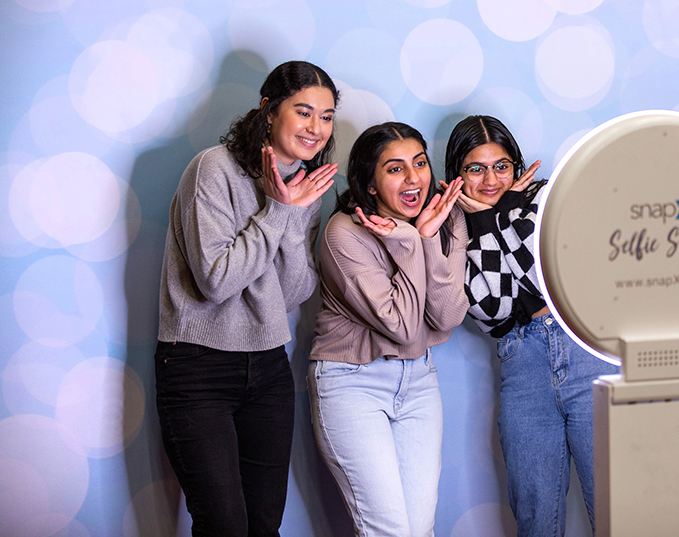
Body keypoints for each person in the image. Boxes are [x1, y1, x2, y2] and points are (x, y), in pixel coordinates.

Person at [154, 60, 339, 537]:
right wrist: (279, 212)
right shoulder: (214, 168)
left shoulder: (306, 186)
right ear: (269, 109)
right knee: (224, 526)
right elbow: (215, 281)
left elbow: (294, 293)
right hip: (198, 367)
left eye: (326, 116)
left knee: (263, 526)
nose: (316, 128)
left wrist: (295, 216)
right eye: (304, 112)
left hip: (268, 367)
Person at [444, 115, 618, 537]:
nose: (491, 180)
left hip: (585, 356)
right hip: (523, 367)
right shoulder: (450, 225)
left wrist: (498, 213)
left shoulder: (545, 200)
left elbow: (544, 280)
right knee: (536, 515)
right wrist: (489, 221)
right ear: (456, 174)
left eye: (501, 166)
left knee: (618, 509)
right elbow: (492, 307)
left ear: (517, 167)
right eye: (476, 168)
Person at [308, 122, 468, 537]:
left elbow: (447, 316)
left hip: (418, 382)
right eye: (395, 169)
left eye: (419, 163)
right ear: (371, 184)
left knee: (419, 530)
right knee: (389, 532)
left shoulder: (446, 219)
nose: (414, 177)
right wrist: (413, 243)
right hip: (351, 384)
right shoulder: (344, 233)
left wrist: (429, 236)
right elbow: (400, 325)